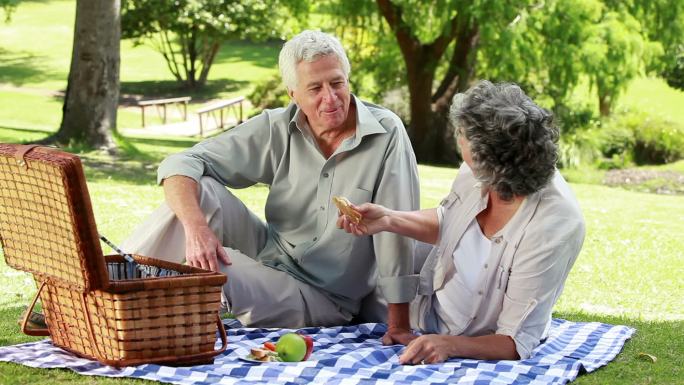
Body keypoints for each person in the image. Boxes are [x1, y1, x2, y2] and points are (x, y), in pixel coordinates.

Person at [121, 30, 420, 344]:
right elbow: (181, 163)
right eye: (315, 88)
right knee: (201, 191)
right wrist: (196, 228)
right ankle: (106, 289)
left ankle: (132, 321)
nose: (330, 98)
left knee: (213, 274)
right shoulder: (276, 127)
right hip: (270, 253)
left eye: (337, 83)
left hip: (323, 298)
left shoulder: (386, 134)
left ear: (348, 78)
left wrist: (398, 324)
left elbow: (395, 229)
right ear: (293, 94)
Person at [337, 80, 585, 363]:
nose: (458, 139)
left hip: (476, 335)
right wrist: (389, 219)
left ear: (490, 159)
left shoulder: (552, 226)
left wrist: (449, 345)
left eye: (462, 135)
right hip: (427, 306)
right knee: (348, 281)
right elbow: (450, 221)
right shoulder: (476, 172)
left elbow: (514, 342)